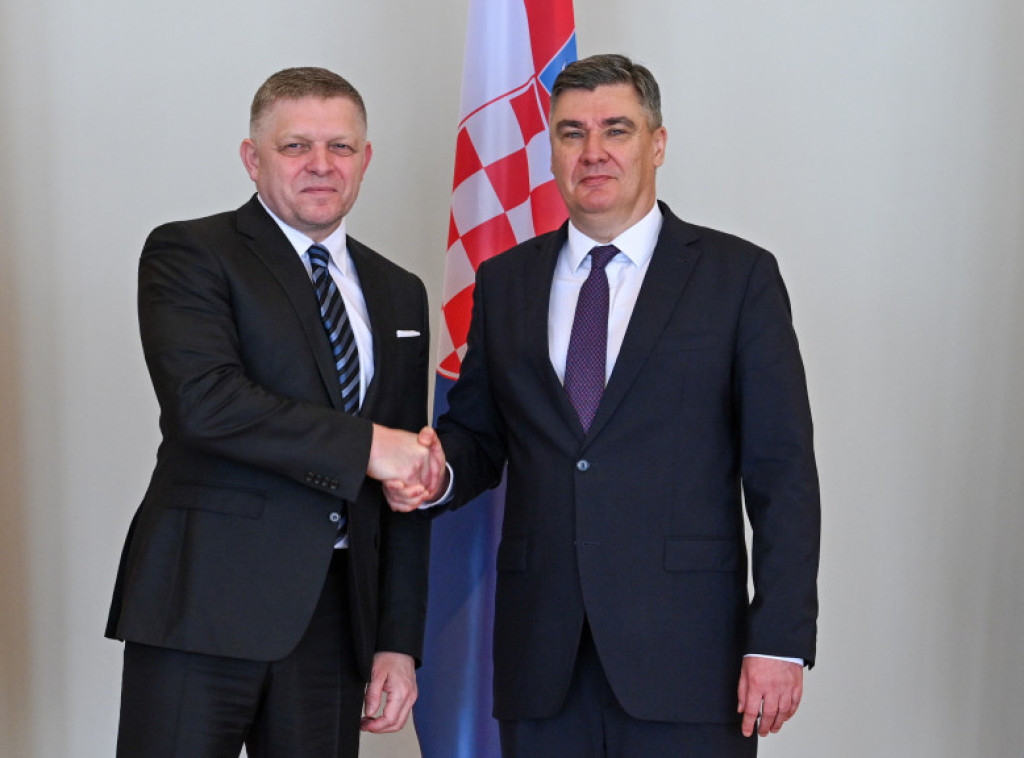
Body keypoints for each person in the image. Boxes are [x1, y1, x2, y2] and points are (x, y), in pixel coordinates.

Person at [388, 54, 820, 757]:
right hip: (542, 658)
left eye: (616, 129)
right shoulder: (505, 282)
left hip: (689, 658)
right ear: (551, 149)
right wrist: (434, 474)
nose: (593, 151)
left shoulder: (738, 277)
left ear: (657, 143)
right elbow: (478, 436)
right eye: (571, 133)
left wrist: (779, 639)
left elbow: (783, 471)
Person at [106, 66, 444, 758]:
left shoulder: (399, 290)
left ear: (365, 159)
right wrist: (370, 447)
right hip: (201, 605)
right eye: (296, 146)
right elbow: (206, 403)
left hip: (334, 623)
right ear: (252, 158)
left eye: (340, 146)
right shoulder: (190, 252)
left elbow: (403, 483)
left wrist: (397, 642)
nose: (321, 164)